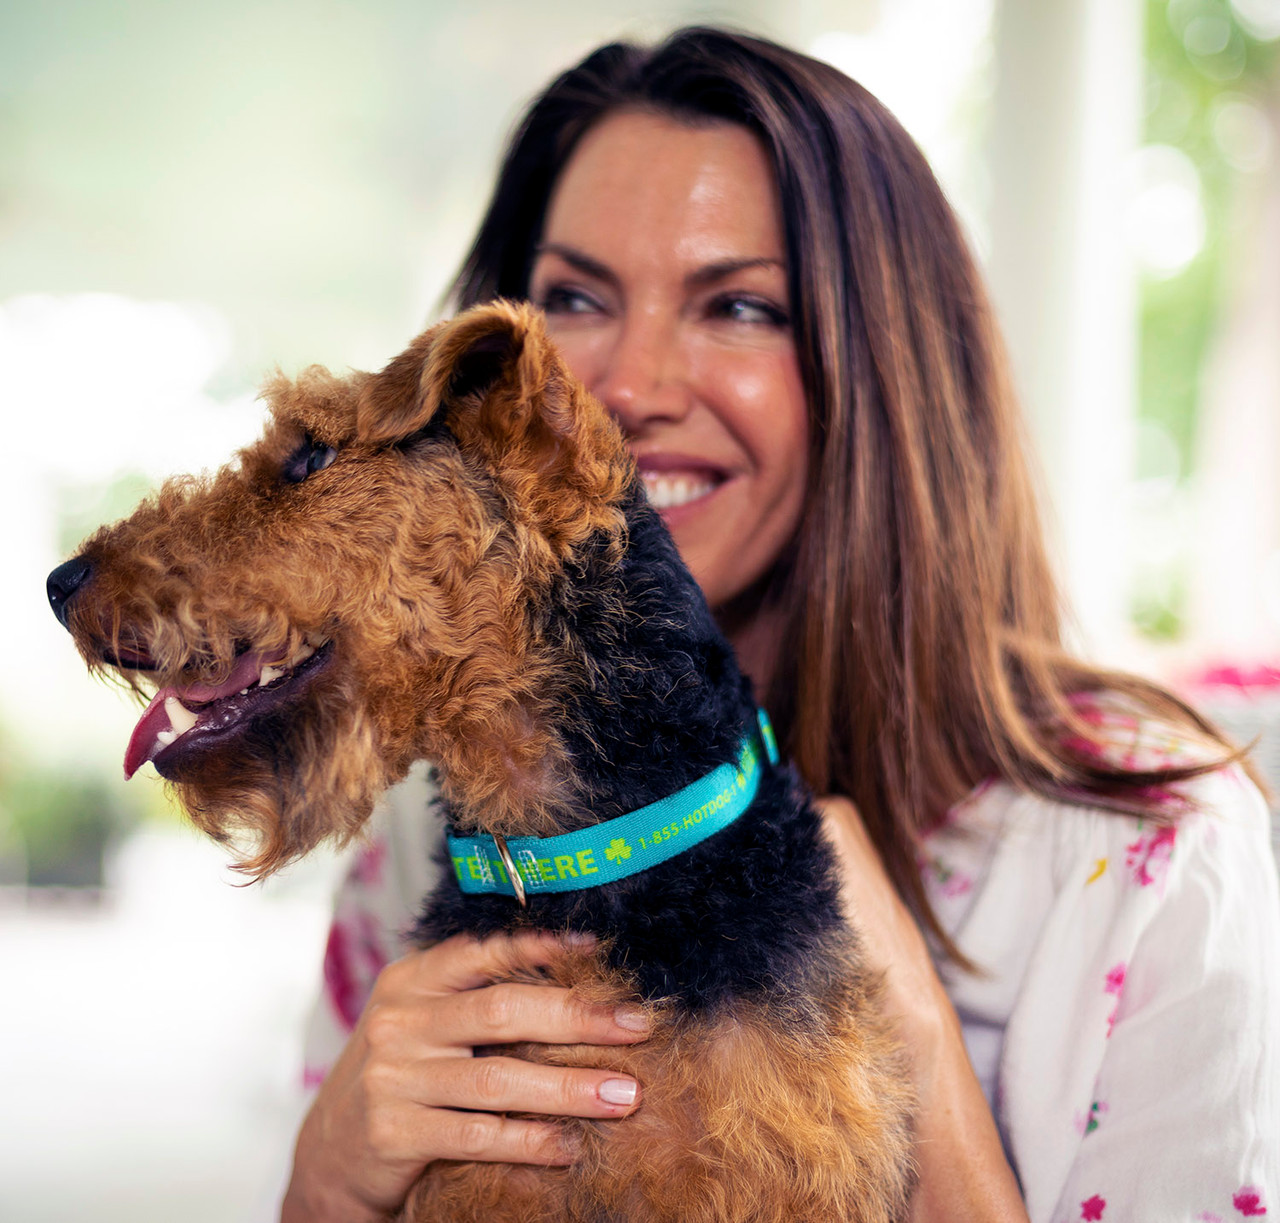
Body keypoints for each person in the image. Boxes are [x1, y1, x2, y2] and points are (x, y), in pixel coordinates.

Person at [281, 27, 1280, 1223]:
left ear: (885, 371)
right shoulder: (426, 817)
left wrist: (903, 1027)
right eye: (574, 298)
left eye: (741, 304)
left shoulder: (1147, 846)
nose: (628, 385)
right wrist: (328, 1180)